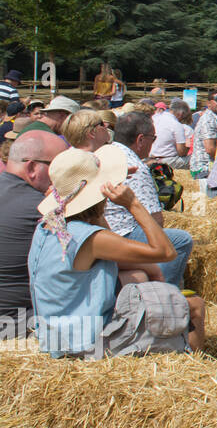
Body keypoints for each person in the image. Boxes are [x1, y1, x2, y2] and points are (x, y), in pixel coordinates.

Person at [29, 146, 204, 358]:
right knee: (194, 305)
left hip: (58, 335)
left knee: (139, 276)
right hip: (86, 343)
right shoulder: (92, 239)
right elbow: (167, 252)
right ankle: (193, 364)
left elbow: (108, 242)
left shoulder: (47, 227)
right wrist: (133, 204)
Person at [103, 112, 194, 289]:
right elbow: (155, 221)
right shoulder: (136, 168)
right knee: (180, 240)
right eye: (154, 138)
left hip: (104, 229)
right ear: (141, 140)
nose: (154, 143)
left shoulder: (107, 153)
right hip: (122, 233)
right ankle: (164, 293)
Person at [0, 130, 70, 335]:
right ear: (32, 167)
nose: (64, 174)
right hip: (16, 322)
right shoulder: (43, 209)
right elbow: (96, 257)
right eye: (59, 167)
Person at [189, 90, 217, 180]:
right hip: (204, 168)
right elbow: (210, 149)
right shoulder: (208, 120)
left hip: (214, 165)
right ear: (208, 103)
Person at [149, 100, 191, 169]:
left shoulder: (154, 118)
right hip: (166, 160)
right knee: (194, 159)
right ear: (181, 114)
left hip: (149, 158)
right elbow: (181, 152)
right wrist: (187, 147)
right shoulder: (176, 124)